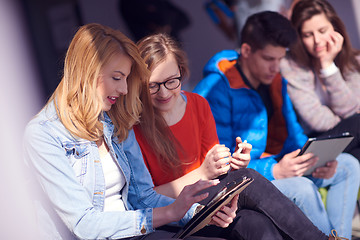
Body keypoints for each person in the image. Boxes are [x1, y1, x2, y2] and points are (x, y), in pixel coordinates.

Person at [22, 23, 238, 240]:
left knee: (242, 224)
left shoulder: (112, 121)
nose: (124, 89)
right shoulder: (43, 135)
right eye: (117, 78)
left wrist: (200, 214)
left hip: (136, 231)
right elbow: (84, 224)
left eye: (126, 79)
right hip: (113, 234)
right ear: (87, 73)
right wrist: (171, 212)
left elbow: (143, 198)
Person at [133, 32, 341, 239]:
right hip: (169, 211)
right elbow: (144, 199)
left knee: (255, 223)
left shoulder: (197, 104)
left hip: (206, 198)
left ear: (181, 72)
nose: (164, 93)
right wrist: (205, 173)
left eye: (172, 81)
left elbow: (216, 171)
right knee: (251, 179)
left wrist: (233, 163)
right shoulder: (134, 125)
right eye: (152, 85)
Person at [193, 11, 360, 239]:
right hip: (246, 181)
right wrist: (273, 170)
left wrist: (314, 160)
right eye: (269, 59)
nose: (276, 67)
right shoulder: (216, 89)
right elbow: (215, 162)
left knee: (348, 164)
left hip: (276, 164)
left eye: (280, 59)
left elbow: (294, 135)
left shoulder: (276, 81)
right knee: (302, 188)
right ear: (246, 51)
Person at [280, 0, 360, 162]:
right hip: (316, 142)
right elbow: (319, 121)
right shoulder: (289, 65)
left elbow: (351, 108)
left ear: (335, 28)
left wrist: (328, 66)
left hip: (352, 137)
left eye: (322, 31)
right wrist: (327, 67)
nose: (317, 41)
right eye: (308, 35)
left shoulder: (353, 60)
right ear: (299, 38)